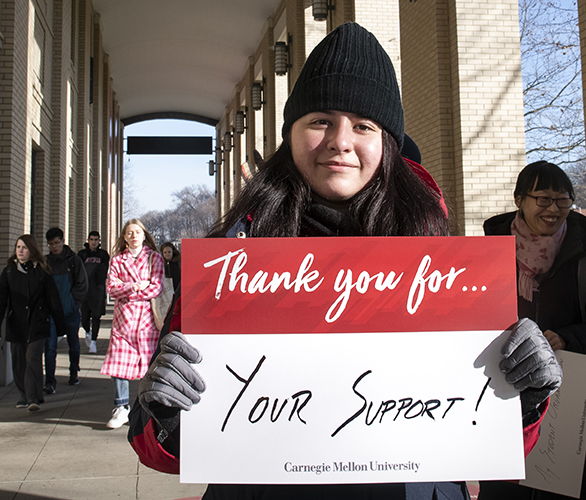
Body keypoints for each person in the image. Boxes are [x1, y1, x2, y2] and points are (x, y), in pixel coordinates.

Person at [128, 23, 563, 500]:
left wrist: (525, 395)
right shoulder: (231, 263)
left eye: (363, 126)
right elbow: (158, 449)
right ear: (291, 132)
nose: (340, 140)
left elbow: (492, 436)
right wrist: (165, 409)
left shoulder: (441, 261)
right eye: (320, 120)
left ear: (388, 143)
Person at [479, 161, 586, 500]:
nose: (554, 209)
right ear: (520, 200)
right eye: (542, 199)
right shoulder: (489, 254)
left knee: (568, 485)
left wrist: (567, 338)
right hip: (505, 389)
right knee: (507, 486)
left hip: (571, 394)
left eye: (563, 200)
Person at [101, 219, 164, 429]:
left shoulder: (154, 258)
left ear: (144, 235)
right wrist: (136, 286)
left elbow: (156, 288)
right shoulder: (117, 259)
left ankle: (148, 407)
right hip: (123, 321)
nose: (134, 236)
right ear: (124, 237)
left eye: (137, 232)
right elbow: (111, 287)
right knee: (118, 365)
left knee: (149, 366)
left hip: (146, 321)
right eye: (129, 233)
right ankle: (121, 407)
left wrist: (127, 291)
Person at [0, 235, 66, 412]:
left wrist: (60, 326)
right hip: (17, 323)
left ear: (32, 250)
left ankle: (32, 398)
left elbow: (53, 299)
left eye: (24, 247)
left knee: (33, 359)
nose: (20, 251)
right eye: (18, 247)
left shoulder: (42, 271)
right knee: (19, 361)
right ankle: (25, 395)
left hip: (38, 323)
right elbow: (2, 301)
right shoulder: (8, 272)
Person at [44, 227, 88, 391]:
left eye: (56, 243)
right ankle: (49, 381)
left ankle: (73, 372)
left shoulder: (73, 260)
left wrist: (72, 303)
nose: (54, 247)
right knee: (50, 347)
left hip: (70, 311)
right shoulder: (46, 262)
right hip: (52, 312)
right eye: (50, 244)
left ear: (63, 241)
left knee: (73, 344)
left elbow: (82, 285)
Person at [77, 231, 111, 354]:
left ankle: (93, 342)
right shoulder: (82, 254)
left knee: (96, 317)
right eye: (91, 239)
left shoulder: (103, 255)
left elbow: (104, 270)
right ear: (88, 240)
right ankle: (88, 331)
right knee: (84, 318)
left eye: (96, 240)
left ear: (99, 241)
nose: (93, 242)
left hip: (98, 290)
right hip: (85, 291)